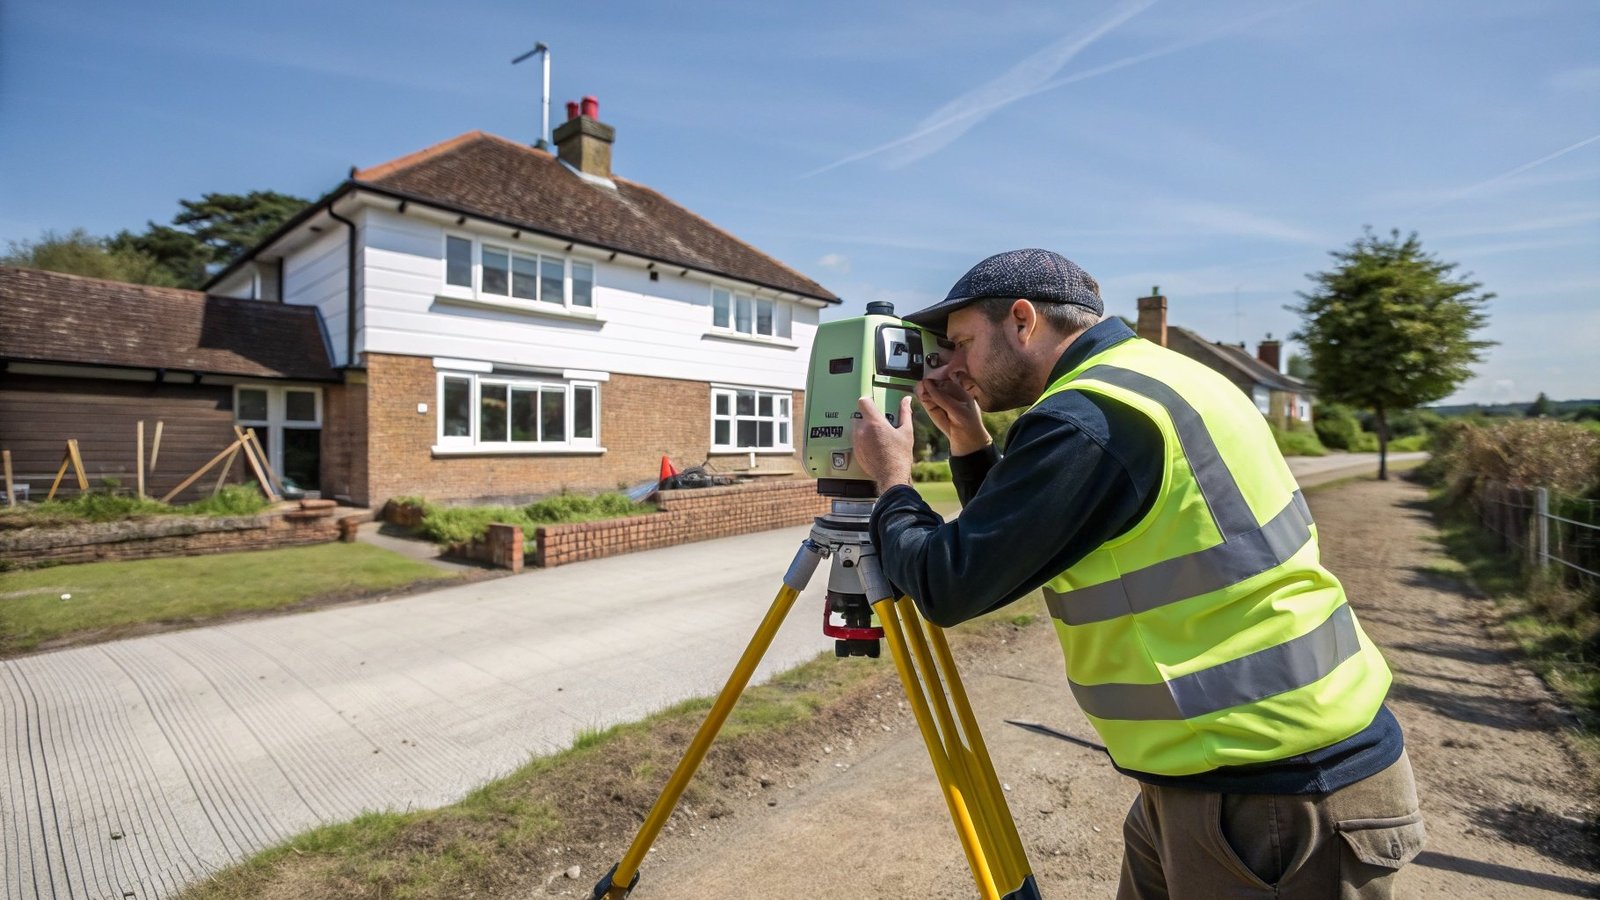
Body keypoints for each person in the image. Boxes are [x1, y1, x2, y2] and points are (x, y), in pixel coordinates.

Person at [850, 249, 1425, 899]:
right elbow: (1027, 541)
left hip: (1272, 795)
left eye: (962, 343)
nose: (951, 365)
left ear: (1022, 320)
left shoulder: (1088, 418)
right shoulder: (1160, 379)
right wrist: (972, 446)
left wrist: (892, 481)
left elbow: (949, 584)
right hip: (1235, 769)